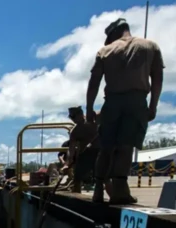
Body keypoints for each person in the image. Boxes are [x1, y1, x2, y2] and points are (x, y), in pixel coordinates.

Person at [86, 18, 164, 204]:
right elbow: (158, 79)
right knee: (125, 148)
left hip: (111, 102)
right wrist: (153, 105)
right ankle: (120, 191)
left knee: (105, 149)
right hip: (136, 102)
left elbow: (94, 83)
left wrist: (89, 108)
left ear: (113, 34)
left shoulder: (105, 51)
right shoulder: (150, 46)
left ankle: (98, 190)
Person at [66, 106, 112, 197]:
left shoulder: (94, 118)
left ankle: (113, 198)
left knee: (105, 178)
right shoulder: (74, 132)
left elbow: (105, 112)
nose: (74, 119)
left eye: (75, 116)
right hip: (85, 155)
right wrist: (68, 162)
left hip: (100, 152)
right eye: (72, 117)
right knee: (77, 178)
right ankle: (76, 198)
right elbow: (71, 149)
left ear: (81, 114)